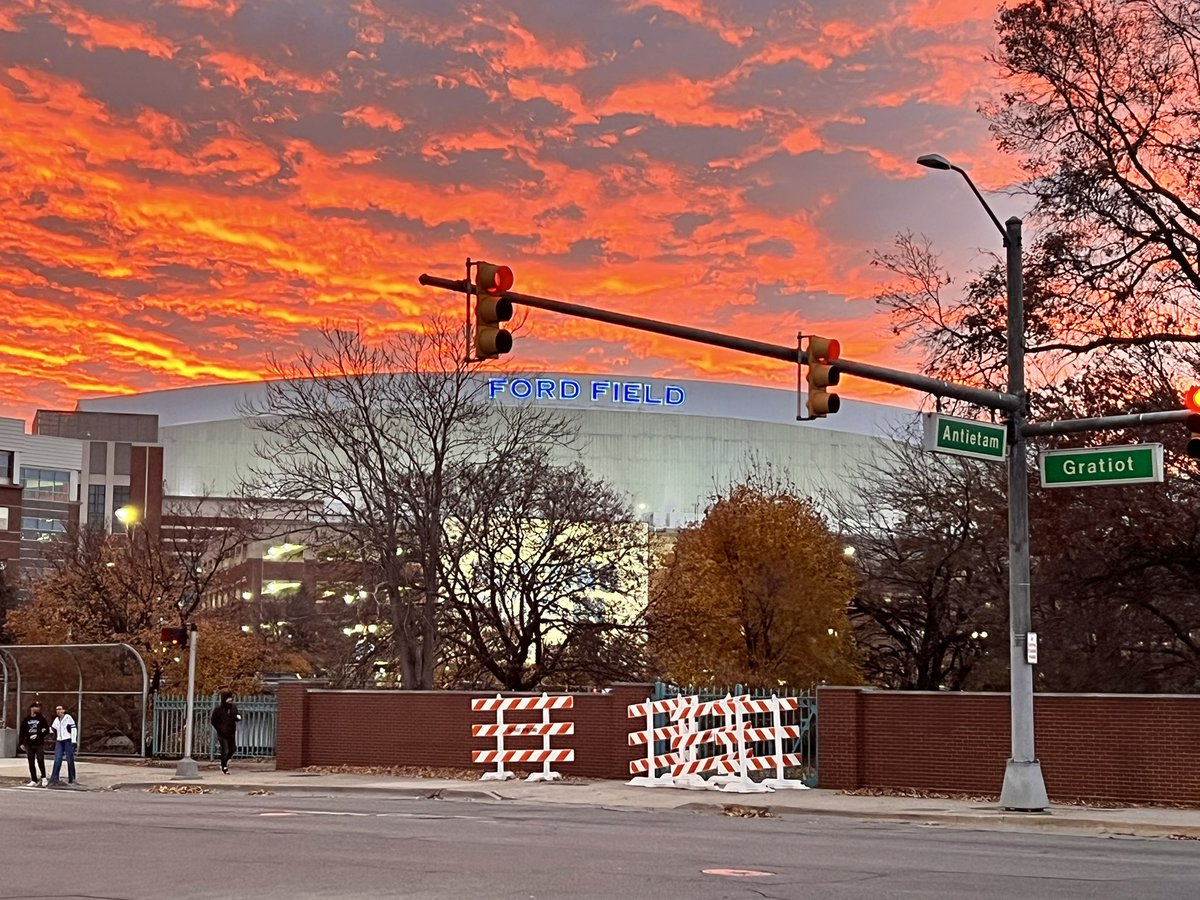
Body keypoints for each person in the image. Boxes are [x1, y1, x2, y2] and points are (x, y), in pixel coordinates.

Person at [17, 700, 50, 787]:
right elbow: (22, 732)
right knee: (31, 761)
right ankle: (33, 779)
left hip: (39, 743)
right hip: (29, 743)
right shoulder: (26, 719)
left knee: (40, 759)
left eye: (38, 707)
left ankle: (43, 777)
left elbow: (46, 730)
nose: (37, 708)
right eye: (35, 707)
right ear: (31, 708)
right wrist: (21, 743)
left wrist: (38, 735)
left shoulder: (41, 719)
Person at [210, 692, 241, 774]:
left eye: (231, 699)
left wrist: (238, 717)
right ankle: (224, 767)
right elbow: (213, 721)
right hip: (222, 733)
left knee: (233, 749)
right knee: (225, 750)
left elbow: (236, 716)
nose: (230, 700)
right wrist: (219, 729)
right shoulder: (218, 710)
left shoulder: (233, 708)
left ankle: (225, 761)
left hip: (231, 732)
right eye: (228, 699)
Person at [47, 704, 78, 786]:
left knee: (69, 759)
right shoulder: (56, 720)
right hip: (59, 740)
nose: (58, 711)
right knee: (57, 758)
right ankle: (54, 778)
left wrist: (73, 741)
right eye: (57, 709)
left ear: (64, 710)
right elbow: (53, 729)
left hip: (67, 740)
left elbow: (73, 729)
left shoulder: (68, 718)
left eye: (60, 709)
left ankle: (72, 778)